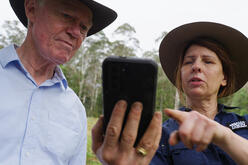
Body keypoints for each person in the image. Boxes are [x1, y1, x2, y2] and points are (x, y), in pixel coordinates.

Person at [92, 21, 248, 165]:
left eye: (207, 61)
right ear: (180, 75)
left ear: (224, 78)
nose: (196, 67)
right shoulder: (160, 135)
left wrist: (225, 137)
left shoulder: (244, 123)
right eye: (188, 62)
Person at [0, 0, 116, 164]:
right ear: (32, 9)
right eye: (67, 15)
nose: (76, 32)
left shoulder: (76, 110)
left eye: (84, 28)